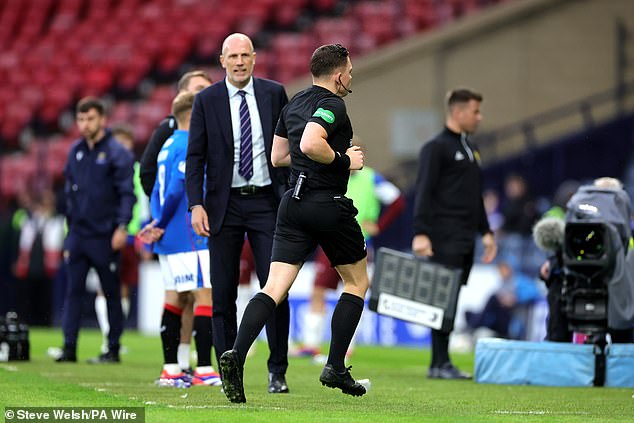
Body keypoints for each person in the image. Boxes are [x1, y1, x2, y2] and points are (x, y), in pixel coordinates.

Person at [217, 43, 369, 404]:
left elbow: (278, 156)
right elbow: (311, 141)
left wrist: (310, 162)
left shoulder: (294, 102)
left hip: (293, 203)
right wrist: (344, 161)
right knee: (357, 281)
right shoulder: (333, 104)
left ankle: (236, 355)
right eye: (349, 71)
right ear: (337, 75)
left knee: (273, 288)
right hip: (326, 203)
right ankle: (334, 366)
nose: (351, 77)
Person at [186, 33, 291, 394]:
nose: (240, 61)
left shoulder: (275, 93)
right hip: (222, 206)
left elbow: (289, 144)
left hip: (267, 202)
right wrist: (195, 204)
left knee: (275, 289)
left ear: (255, 58)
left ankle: (277, 370)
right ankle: (230, 369)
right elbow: (194, 157)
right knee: (223, 295)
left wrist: (291, 193)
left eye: (245, 55)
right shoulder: (206, 100)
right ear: (222, 60)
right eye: (233, 56)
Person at [411, 88, 497, 379]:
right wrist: (421, 233)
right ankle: (439, 362)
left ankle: (441, 362)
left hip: (464, 237)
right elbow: (423, 192)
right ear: (458, 112)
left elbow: (475, 196)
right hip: (443, 235)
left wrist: (485, 231)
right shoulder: (436, 147)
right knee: (442, 299)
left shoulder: (471, 149)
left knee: (450, 298)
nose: (479, 117)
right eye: (475, 111)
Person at [139, 92, 221, 387]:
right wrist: (161, 222)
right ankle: (203, 369)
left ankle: (171, 369)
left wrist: (157, 222)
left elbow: (157, 188)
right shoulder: (188, 144)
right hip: (188, 233)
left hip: (168, 236)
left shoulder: (167, 145)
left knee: (173, 297)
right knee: (204, 296)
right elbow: (176, 188)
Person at [297, 165, 405, 360]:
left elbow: (397, 201)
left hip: (358, 241)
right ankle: (311, 345)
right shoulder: (331, 175)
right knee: (318, 290)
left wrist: (379, 226)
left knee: (353, 290)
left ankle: (346, 347)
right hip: (329, 239)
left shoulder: (372, 178)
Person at [56, 97, 136, 363]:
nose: (85, 124)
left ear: (102, 119)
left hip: (105, 234)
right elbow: (69, 193)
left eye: (90, 118)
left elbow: (127, 194)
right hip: (78, 234)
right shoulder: (76, 150)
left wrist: (121, 227)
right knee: (73, 291)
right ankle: (69, 347)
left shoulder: (117, 152)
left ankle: (112, 348)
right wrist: (69, 234)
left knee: (111, 292)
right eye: (80, 119)